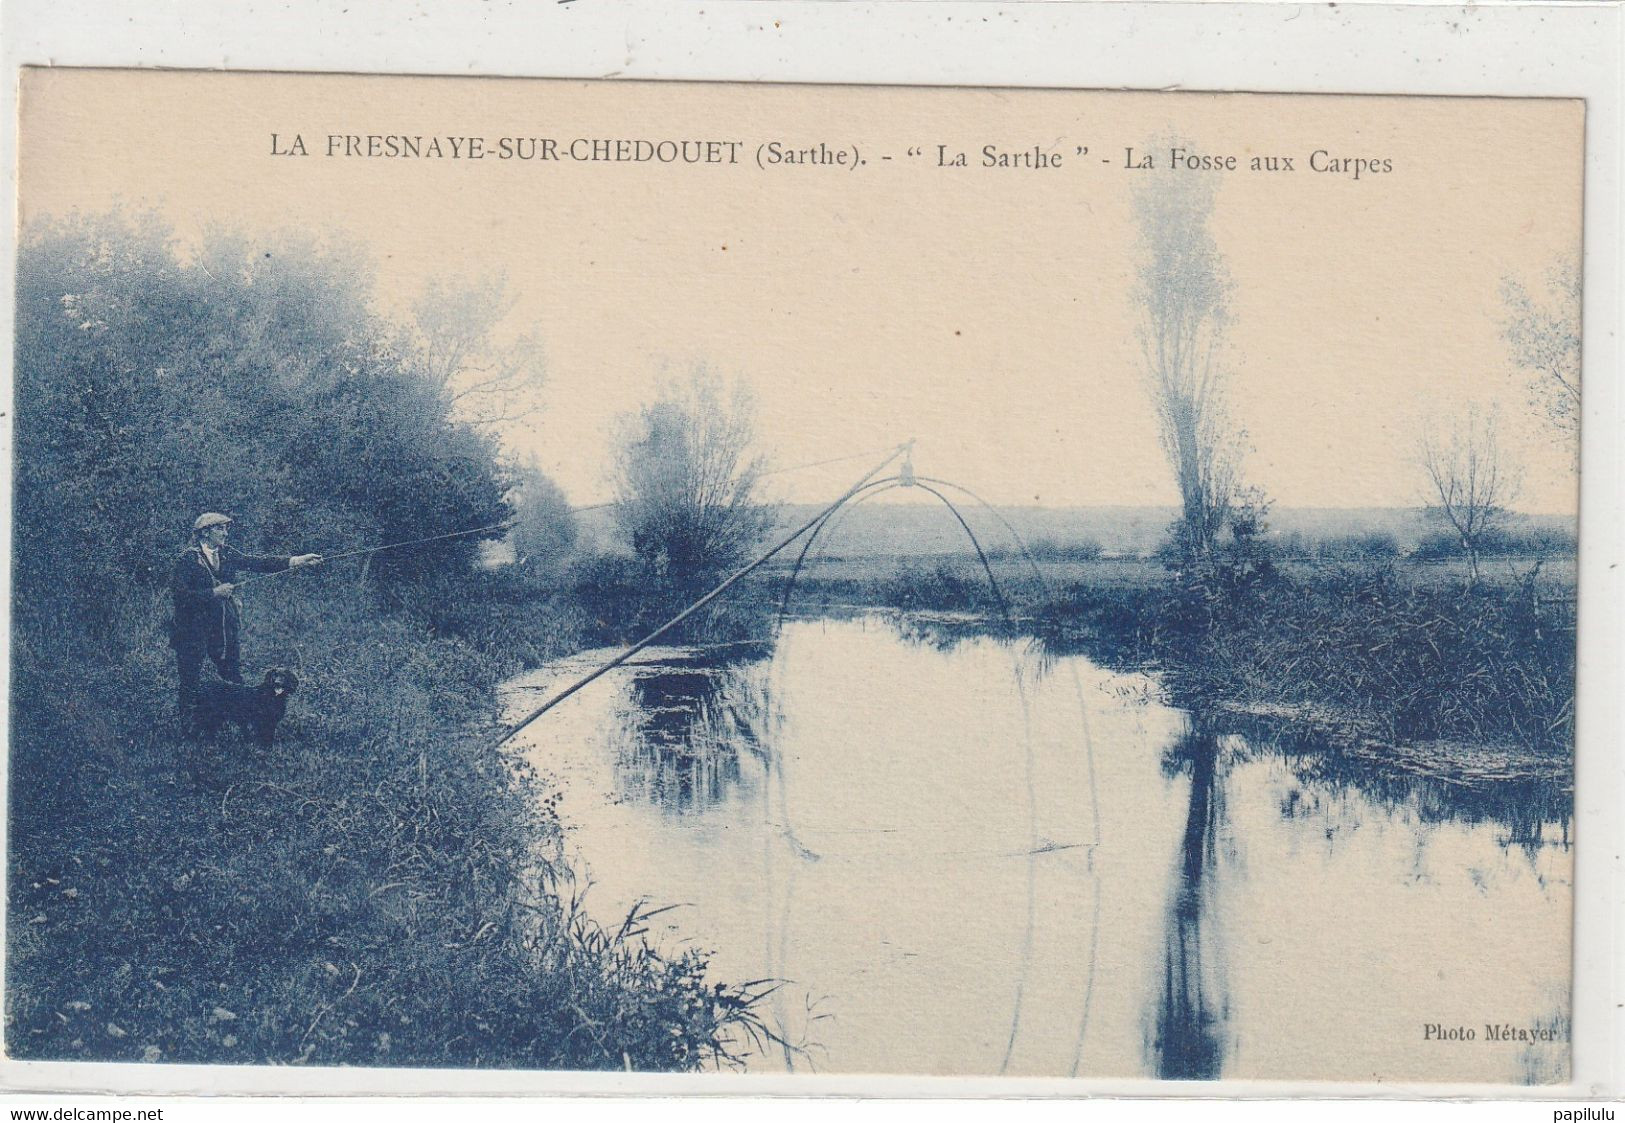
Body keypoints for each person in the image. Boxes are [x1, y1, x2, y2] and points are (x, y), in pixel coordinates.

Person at [169, 512, 321, 721]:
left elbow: (259, 563)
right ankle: (187, 729)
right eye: (220, 529)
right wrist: (213, 593)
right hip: (191, 631)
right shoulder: (187, 559)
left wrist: (296, 561)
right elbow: (180, 596)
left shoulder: (227, 554)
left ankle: (241, 726)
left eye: (226, 529)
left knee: (232, 677)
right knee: (190, 681)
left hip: (223, 628)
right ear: (205, 533)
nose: (225, 533)